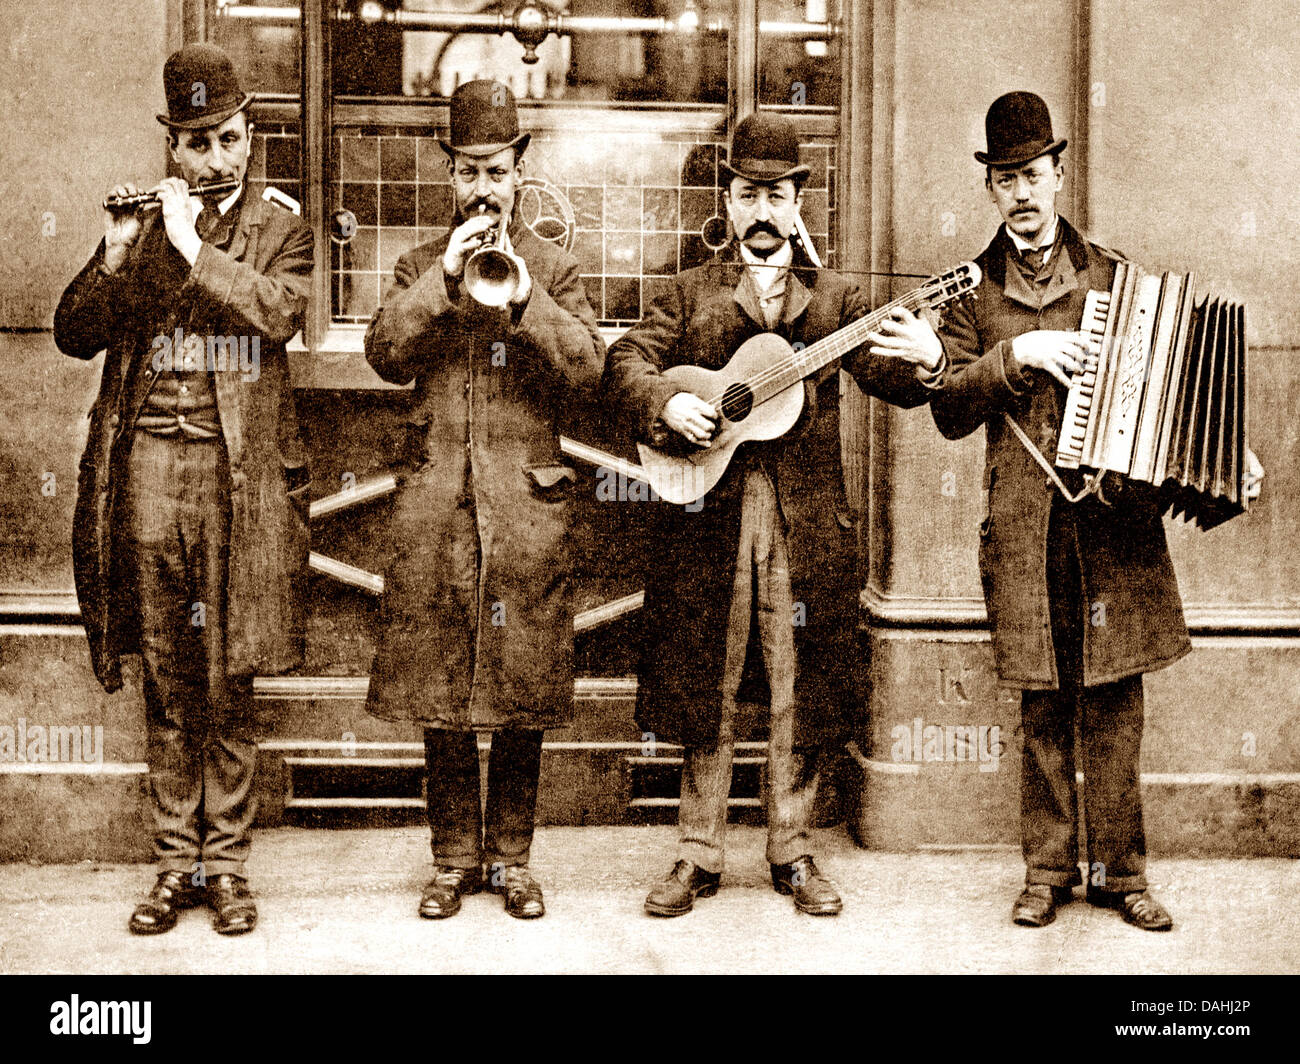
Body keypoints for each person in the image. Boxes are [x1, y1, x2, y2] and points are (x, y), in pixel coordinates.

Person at [931, 91, 1262, 931]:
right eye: (1005, 179)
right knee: (1042, 699)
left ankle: (1123, 873)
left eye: (1033, 174)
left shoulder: (1115, 276)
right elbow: (947, 406)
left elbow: (1175, 387)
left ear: (1059, 174)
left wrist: (1229, 454)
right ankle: (1045, 873)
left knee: (1114, 699)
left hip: (1113, 525)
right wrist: (1018, 353)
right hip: (1025, 522)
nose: (1022, 193)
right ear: (990, 189)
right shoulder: (971, 295)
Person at [605, 111, 945, 917]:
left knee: (801, 682)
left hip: (804, 520)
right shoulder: (689, 290)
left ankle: (793, 849)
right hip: (710, 516)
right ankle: (698, 850)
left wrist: (927, 357)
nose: (761, 211)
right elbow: (625, 363)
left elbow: (890, 380)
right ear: (727, 200)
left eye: (776, 195)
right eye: (747, 193)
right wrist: (668, 403)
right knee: (707, 680)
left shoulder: (838, 301)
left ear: (799, 202)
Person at [54, 44, 314, 936]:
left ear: (251, 137)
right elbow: (73, 334)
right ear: (173, 145)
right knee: (166, 676)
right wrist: (121, 253)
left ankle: (229, 865)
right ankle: (174, 865)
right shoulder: (143, 229)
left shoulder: (281, 227)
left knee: (227, 672)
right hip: (147, 476)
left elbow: (279, 314)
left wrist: (192, 246)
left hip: (235, 481)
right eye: (196, 144)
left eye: (229, 140)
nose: (214, 161)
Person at [363, 79, 604, 920]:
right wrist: (445, 275)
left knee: (521, 686)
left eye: (496, 171)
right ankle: (451, 858)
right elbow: (386, 353)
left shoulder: (558, 269)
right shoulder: (413, 266)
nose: (482, 189)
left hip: (526, 509)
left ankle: (512, 859)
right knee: (441, 684)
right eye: (468, 171)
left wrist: (527, 296)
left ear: (519, 170)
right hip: (436, 506)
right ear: (449, 169)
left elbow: (589, 371)